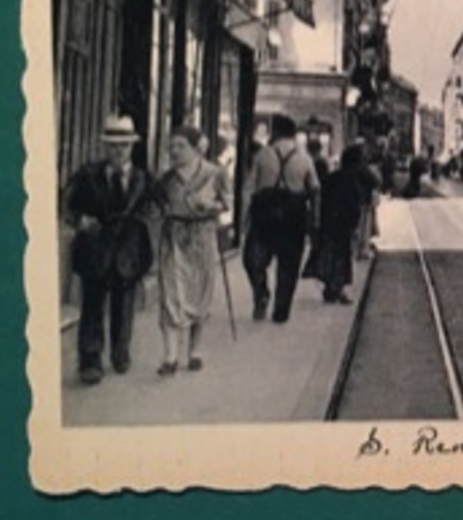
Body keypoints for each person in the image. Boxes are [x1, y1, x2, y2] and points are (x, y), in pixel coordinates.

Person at [62, 115, 158, 385]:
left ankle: (120, 354)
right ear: (105, 147)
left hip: (127, 252)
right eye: (113, 146)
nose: (119, 151)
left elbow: (155, 207)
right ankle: (90, 361)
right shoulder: (88, 175)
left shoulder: (142, 178)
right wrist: (80, 221)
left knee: (123, 305)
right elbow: (67, 203)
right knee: (92, 304)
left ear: (132, 147)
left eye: (124, 146)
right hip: (95, 250)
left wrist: (146, 224)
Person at [154, 125, 231, 376]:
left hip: (203, 237)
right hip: (173, 238)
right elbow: (156, 207)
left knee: (200, 294)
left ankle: (195, 352)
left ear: (196, 148)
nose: (174, 151)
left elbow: (227, 204)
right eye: (171, 146)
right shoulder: (166, 179)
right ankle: (170, 357)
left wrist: (211, 205)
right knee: (170, 295)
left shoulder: (215, 173)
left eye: (180, 146)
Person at [243, 114, 320, 324]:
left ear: (275, 132)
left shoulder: (262, 155)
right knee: (289, 264)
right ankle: (281, 311)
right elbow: (314, 190)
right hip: (294, 216)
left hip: (264, 214)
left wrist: (244, 218)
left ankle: (261, 293)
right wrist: (314, 220)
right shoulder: (305, 158)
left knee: (253, 259)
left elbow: (249, 188)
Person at [305, 143, 370, 304]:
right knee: (341, 256)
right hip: (342, 224)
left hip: (328, 222)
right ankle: (335, 287)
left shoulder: (332, 178)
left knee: (330, 254)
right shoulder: (352, 180)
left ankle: (332, 287)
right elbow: (354, 205)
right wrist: (354, 225)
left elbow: (321, 198)